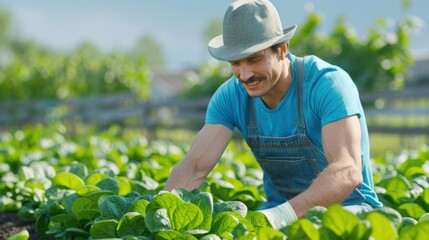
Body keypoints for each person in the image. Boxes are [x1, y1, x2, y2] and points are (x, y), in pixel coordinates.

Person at [164, 0, 382, 229]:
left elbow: (347, 170)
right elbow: (194, 167)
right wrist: (162, 212)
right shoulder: (230, 96)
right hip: (276, 211)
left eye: (254, 59)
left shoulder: (327, 84)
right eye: (235, 63)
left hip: (348, 209)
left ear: (282, 49)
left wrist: (280, 216)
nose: (245, 74)